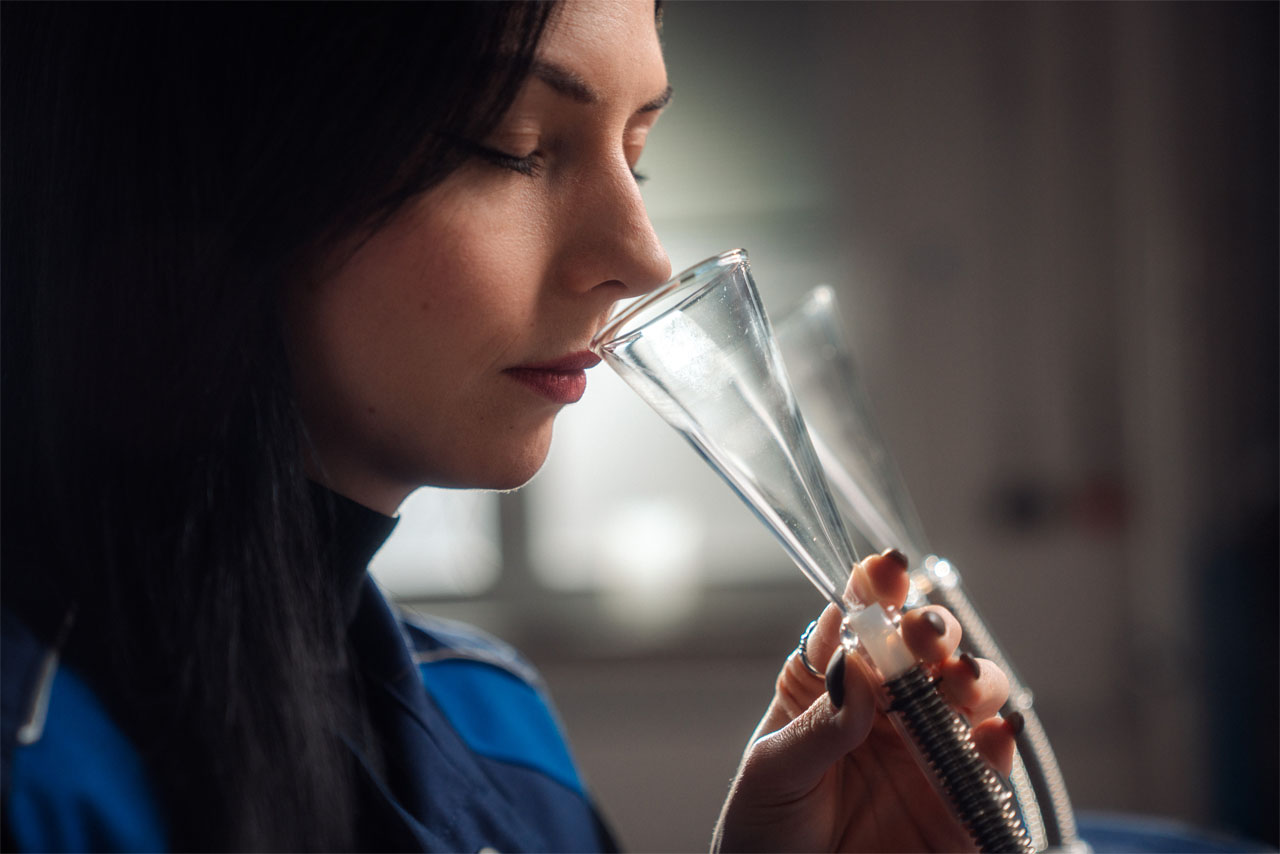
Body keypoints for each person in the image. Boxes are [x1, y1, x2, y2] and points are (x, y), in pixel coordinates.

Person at [0, 2, 1019, 851]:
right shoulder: (39, 768)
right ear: (210, 156)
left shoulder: (496, 721)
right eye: (514, 149)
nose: (642, 259)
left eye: (637, 156)